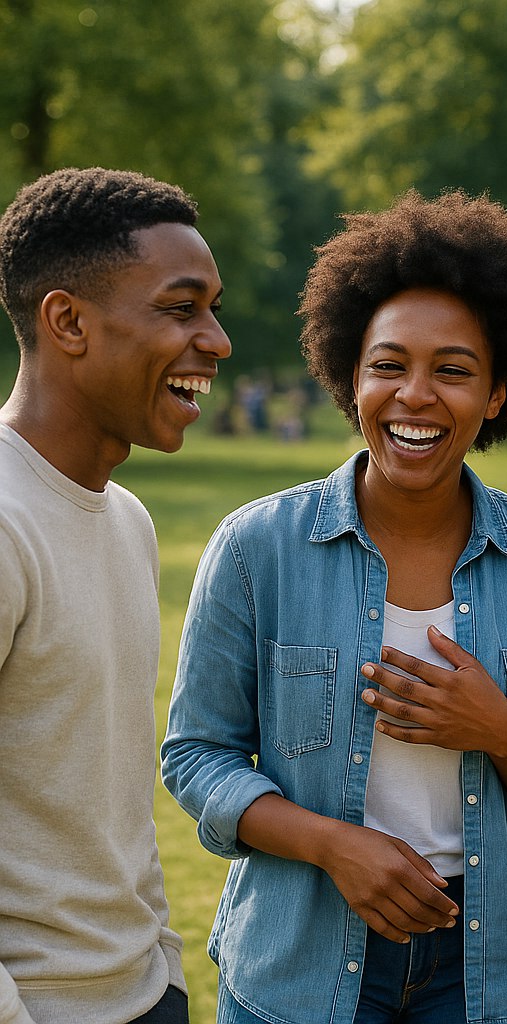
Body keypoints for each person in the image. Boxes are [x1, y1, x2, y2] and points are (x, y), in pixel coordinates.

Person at [161, 190, 507, 1024]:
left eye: (452, 370)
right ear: (350, 375)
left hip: (484, 973)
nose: (415, 396)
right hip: (297, 965)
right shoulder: (257, 547)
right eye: (389, 365)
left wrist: (501, 730)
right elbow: (196, 756)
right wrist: (336, 847)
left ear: (498, 393)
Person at [0, 167, 230, 1023]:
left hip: (143, 992)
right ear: (67, 321)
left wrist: (163, 973)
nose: (216, 339)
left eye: (212, 308)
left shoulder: (127, 520)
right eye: (181, 308)